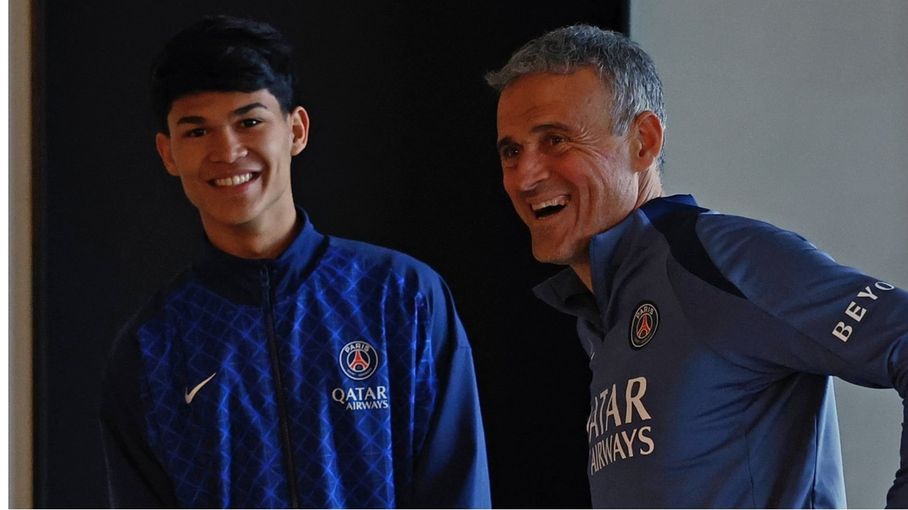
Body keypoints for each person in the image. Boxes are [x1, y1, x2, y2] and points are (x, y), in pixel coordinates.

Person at [486, 24, 908, 508]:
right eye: (512, 151)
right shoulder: (602, 310)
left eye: (556, 140)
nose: (526, 176)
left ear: (643, 142)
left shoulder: (715, 256)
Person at [100, 15, 490, 508]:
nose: (227, 151)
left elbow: (458, 490)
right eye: (197, 131)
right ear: (168, 153)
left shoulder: (402, 296)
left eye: (249, 121)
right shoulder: (151, 349)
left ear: (296, 129)